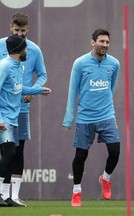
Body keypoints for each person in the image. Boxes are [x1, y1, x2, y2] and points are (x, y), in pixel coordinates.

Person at [63, 29, 120, 207]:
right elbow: (73, 91)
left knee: (115, 151)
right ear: (92, 42)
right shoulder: (80, 63)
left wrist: (106, 107)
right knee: (80, 156)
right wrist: (68, 118)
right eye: (101, 41)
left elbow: (112, 88)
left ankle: (106, 178)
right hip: (85, 118)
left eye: (107, 42)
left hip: (107, 116)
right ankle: (77, 192)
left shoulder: (114, 64)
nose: (104, 45)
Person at [0, 12, 47, 207]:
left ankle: (11, 195)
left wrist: (35, 91)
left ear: (28, 30)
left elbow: (39, 76)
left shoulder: (31, 52)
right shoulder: (5, 59)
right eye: (17, 30)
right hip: (4, 111)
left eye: (23, 31)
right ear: (11, 27)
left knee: (16, 152)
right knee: (8, 152)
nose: (20, 34)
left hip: (19, 110)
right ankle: (2, 195)